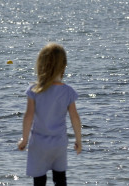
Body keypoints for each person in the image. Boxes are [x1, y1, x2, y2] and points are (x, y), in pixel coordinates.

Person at [18, 43, 82, 186]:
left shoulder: (34, 90)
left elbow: (28, 116)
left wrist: (24, 140)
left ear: (41, 65)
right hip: (59, 144)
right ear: (64, 66)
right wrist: (78, 140)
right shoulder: (68, 91)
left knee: (39, 181)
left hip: (39, 144)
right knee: (60, 179)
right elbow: (75, 118)